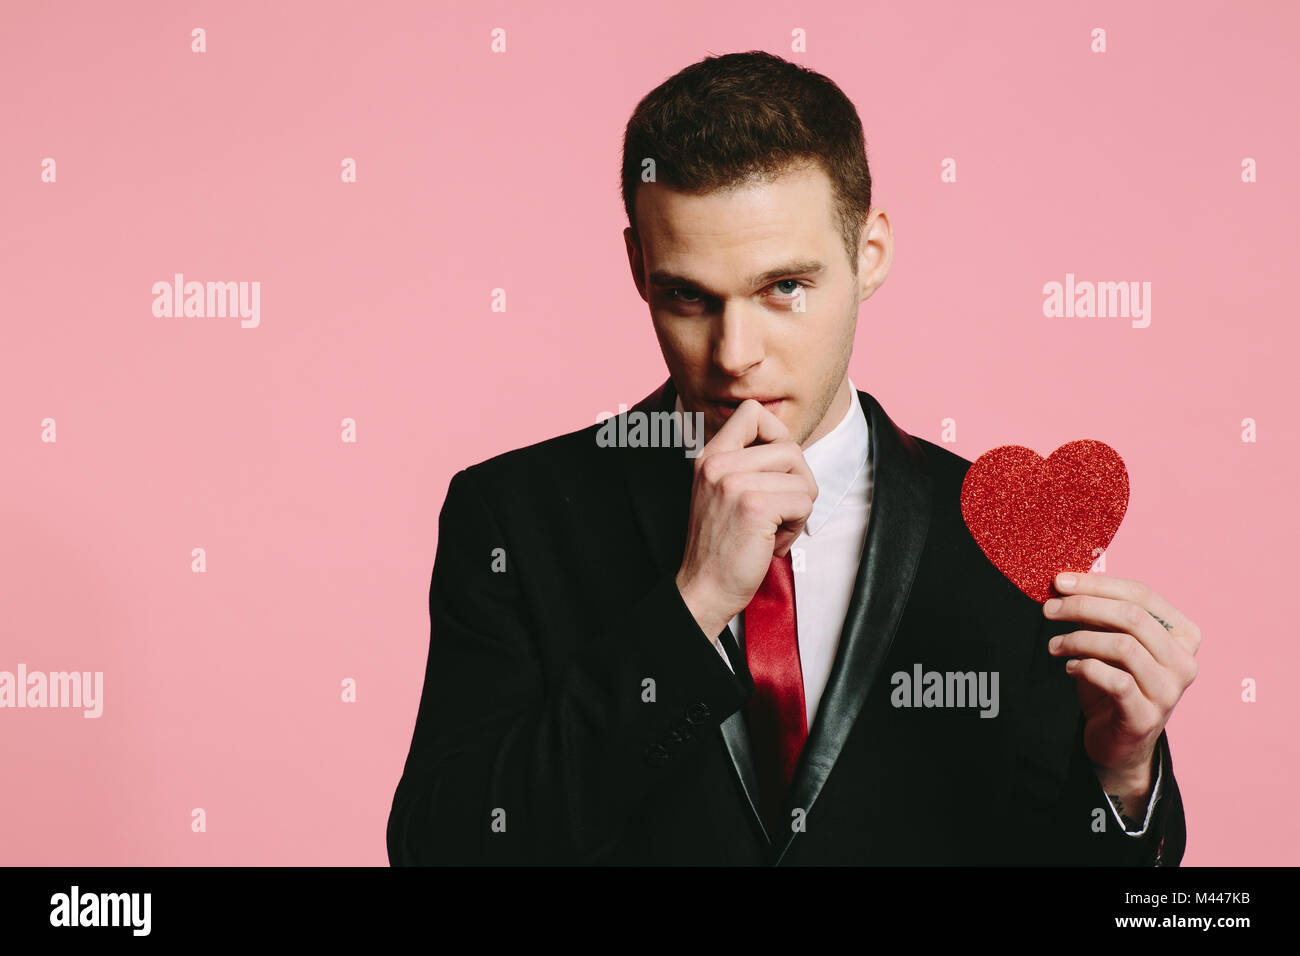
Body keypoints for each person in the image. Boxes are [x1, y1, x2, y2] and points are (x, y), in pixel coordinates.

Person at [386, 50, 1198, 865]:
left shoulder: (1004, 534)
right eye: (688, 295)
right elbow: (443, 849)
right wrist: (692, 606)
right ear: (637, 268)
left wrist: (1123, 773)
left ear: (870, 253)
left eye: (784, 288)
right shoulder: (514, 516)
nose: (735, 355)